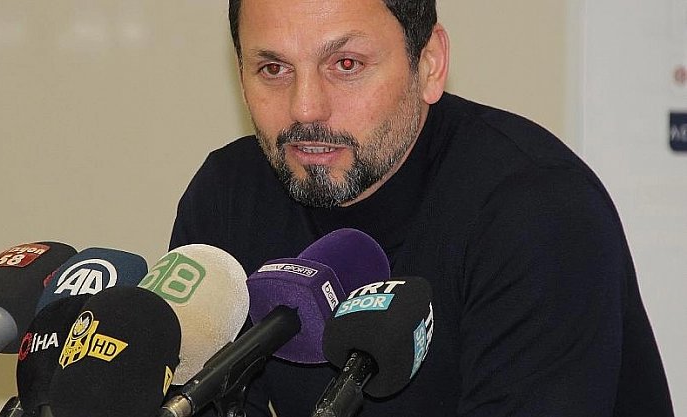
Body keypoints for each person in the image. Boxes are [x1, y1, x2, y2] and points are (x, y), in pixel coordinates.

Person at [169, 0, 674, 415]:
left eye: (346, 65)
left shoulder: (537, 209)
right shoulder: (227, 197)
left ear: (429, 63)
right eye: (273, 68)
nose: (305, 109)